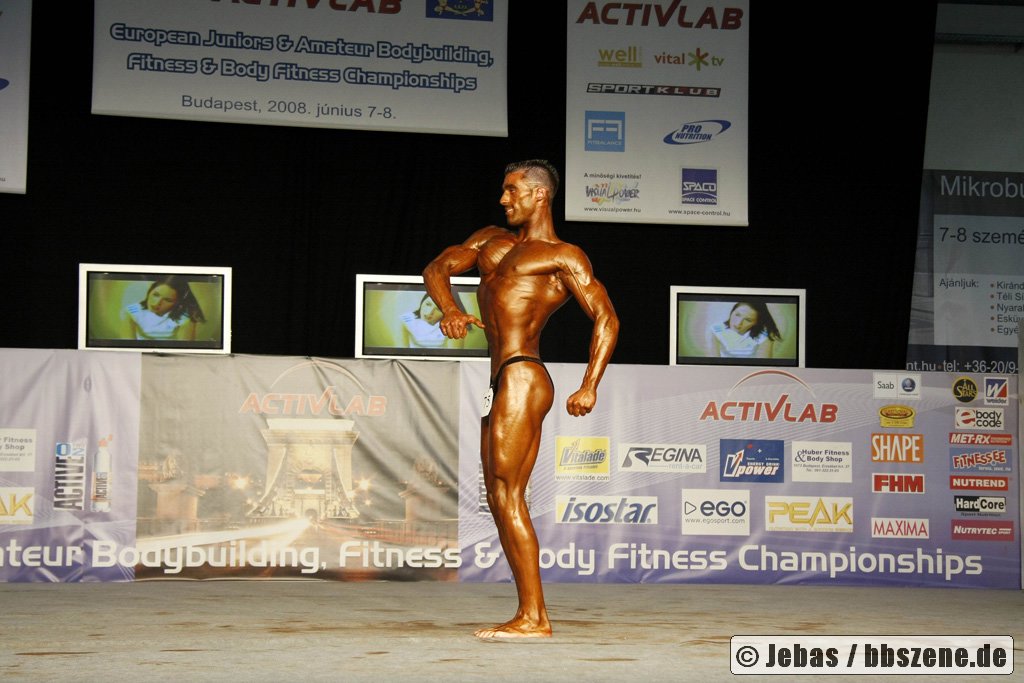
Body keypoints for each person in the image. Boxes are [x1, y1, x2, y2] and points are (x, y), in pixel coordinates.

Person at [423, 159, 619, 639]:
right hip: (500, 379)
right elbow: (437, 267)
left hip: (523, 372)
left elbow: (606, 317)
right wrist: (450, 309)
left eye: (512, 190)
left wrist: (590, 384)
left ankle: (535, 617)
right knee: (497, 496)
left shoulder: (563, 256)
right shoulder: (489, 240)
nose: (503, 199)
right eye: (504, 190)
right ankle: (529, 613)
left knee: (508, 494)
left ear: (539, 195)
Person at [122, 275, 205, 341]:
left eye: (168, 300)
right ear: (149, 292)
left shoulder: (185, 317)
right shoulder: (132, 311)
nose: (157, 303)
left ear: (177, 303)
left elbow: (184, 349)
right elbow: (128, 346)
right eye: (156, 295)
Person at [708, 300, 781, 359]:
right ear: (732, 312)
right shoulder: (716, 330)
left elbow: (763, 366)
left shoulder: (764, 335)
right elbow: (713, 363)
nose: (738, 323)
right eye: (737, 315)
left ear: (756, 323)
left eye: (748, 320)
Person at [400, 293, 464, 349]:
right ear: (422, 302)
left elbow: (453, 355)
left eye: (438, 309)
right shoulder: (407, 319)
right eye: (428, 304)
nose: (429, 312)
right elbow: (402, 352)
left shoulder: (453, 325)